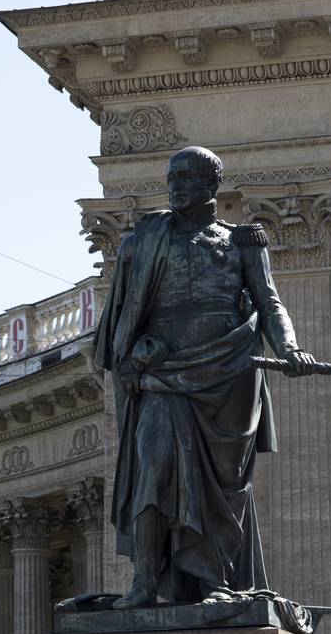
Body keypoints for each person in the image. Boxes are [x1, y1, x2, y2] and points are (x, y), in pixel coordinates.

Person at [90, 145, 318, 608]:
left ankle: (215, 580)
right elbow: (121, 317)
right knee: (153, 469)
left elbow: (270, 302)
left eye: (187, 178)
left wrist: (289, 347)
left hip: (228, 375)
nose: (175, 187)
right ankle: (144, 581)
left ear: (212, 186)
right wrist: (135, 351)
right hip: (165, 373)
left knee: (222, 488)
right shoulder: (144, 239)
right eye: (172, 179)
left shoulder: (241, 242)